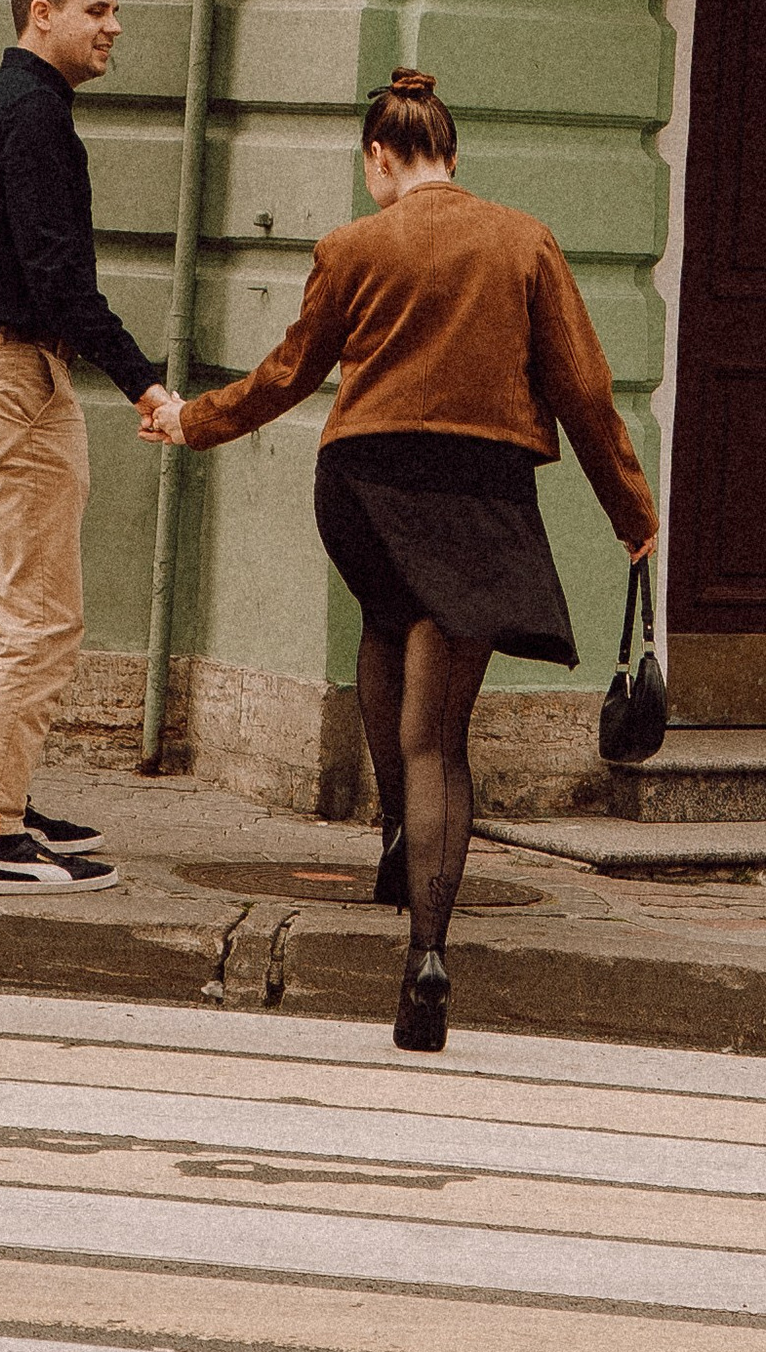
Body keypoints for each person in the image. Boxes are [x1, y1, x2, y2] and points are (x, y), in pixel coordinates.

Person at [141, 69, 656, 1050]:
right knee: (439, 738)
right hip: (478, 493)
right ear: (451, 154)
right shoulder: (525, 241)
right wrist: (631, 510)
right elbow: (584, 391)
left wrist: (189, 421)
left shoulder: (351, 246)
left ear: (380, 157)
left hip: (362, 488)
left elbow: (286, 375)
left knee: (387, 623)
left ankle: (394, 837)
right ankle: (427, 956)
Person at [0, 0, 175, 894]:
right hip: (12, 372)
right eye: (98, 10)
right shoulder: (33, 114)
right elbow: (58, 278)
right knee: (42, 620)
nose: (115, 27)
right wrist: (145, 384)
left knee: (19, 612)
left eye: (115, 11)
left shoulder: (12, 104)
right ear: (43, 13)